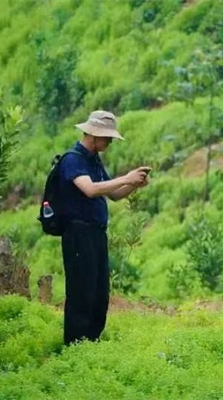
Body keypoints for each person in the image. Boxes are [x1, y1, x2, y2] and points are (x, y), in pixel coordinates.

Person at [59, 110, 150, 346]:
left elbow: (114, 194)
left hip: (96, 235)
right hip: (78, 235)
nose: (109, 142)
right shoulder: (73, 160)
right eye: (107, 137)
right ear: (93, 134)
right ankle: (76, 348)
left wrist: (134, 184)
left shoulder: (93, 160)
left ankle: (92, 343)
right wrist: (125, 178)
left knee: (99, 294)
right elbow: (89, 189)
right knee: (81, 293)